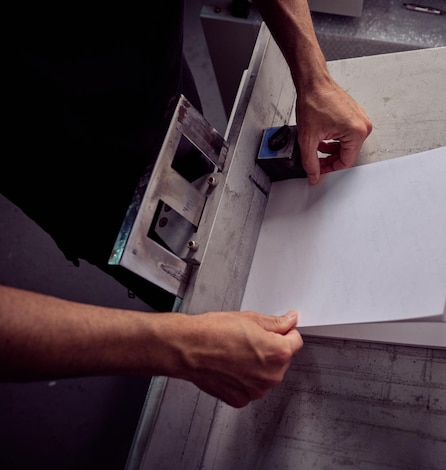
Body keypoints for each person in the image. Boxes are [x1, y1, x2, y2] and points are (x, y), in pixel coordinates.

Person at [0, 0, 372, 408]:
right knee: (196, 298)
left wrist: (314, 77)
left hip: (162, 96)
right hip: (70, 172)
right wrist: (181, 346)